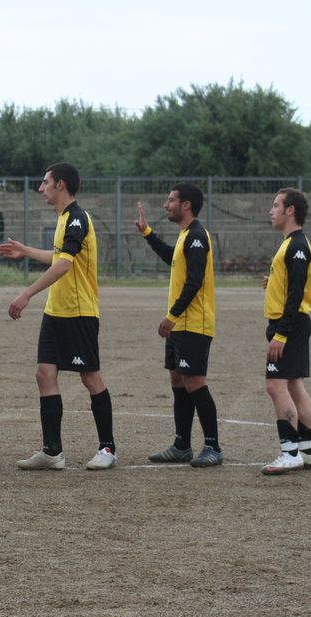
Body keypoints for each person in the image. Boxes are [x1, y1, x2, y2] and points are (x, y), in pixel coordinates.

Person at [0, 162, 117, 471]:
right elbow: (59, 256)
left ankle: (107, 448)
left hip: (79, 312)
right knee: (44, 374)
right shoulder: (64, 219)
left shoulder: (77, 218)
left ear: (60, 185)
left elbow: (64, 264)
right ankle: (52, 452)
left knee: (90, 377)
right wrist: (27, 251)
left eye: (45, 182)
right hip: (56, 311)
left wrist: (27, 293)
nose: (41, 188)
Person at [133, 183, 223, 467]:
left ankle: (213, 447)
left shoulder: (197, 236)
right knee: (177, 379)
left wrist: (172, 315)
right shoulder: (186, 235)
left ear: (186, 205)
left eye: (171, 200)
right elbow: (172, 257)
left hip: (194, 323)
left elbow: (194, 281)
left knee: (195, 381)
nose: (166, 204)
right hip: (180, 325)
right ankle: (182, 445)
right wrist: (147, 233)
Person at [260, 188, 311, 475]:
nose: (271, 210)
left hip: (289, 325)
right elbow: (291, 284)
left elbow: (296, 292)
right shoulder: (291, 244)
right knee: (294, 385)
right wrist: (272, 283)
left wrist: (281, 334)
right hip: (293, 323)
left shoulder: (296, 246)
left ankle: (290, 452)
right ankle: (309, 451)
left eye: (276, 205)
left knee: (275, 386)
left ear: (290, 210)